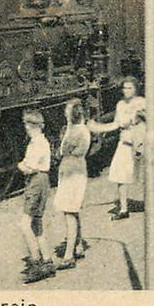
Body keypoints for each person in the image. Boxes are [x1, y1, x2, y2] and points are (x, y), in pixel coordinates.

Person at [89, 77, 146, 220]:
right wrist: (97, 127)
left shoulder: (142, 102)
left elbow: (153, 121)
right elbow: (116, 124)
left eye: (130, 88)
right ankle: (124, 208)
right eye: (125, 88)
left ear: (136, 89)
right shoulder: (120, 105)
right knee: (119, 175)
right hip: (124, 143)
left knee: (146, 176)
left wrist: (139, 119)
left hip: (140, 144)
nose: (127, 91)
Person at [53, 98, 91, 270]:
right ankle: (79, 246)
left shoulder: (74, 132)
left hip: (70, 173)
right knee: (73, 212)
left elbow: (62, 151)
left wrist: (66, 131)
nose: (64, 113)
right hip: (77, 170)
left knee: (69, 213)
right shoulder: (82, 129)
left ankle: (69, 256)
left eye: (66, 111)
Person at [18, 111, 56, 283]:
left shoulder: (36, 143)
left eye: (26, 125)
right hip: (42, 181)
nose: (25, 128)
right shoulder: (42, 141)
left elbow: (29, 167)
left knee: (24, 224)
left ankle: (36, 262)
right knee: (37, 223)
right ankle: (47, 260)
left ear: (30, 126)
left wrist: (21, 166)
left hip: (36, 181)